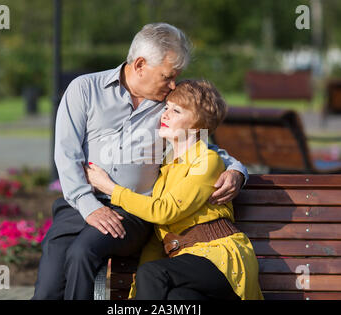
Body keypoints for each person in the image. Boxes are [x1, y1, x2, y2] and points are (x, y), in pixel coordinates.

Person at [32, 23, 249, 300]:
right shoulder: (85, 90)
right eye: (168, 77)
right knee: (47, 291)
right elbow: (67, 156)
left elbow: (203, 149)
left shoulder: (169, 107)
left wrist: (236, 171)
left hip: (132, 213)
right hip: (78, 205)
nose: (173, 85)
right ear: (140, 65)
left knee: (82, 251)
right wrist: (90, 208)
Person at [86, 79, 263, 300]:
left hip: (221, 258)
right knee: (178, 299)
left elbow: (164, 211)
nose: (165, 115)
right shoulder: (165, 169)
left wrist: (110, 188)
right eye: (166, 107)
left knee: (154, 274)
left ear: (199, 125)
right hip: (186, 264)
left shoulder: (206, 161)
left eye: (176, 111)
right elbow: (157, 236)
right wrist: (136, 293)